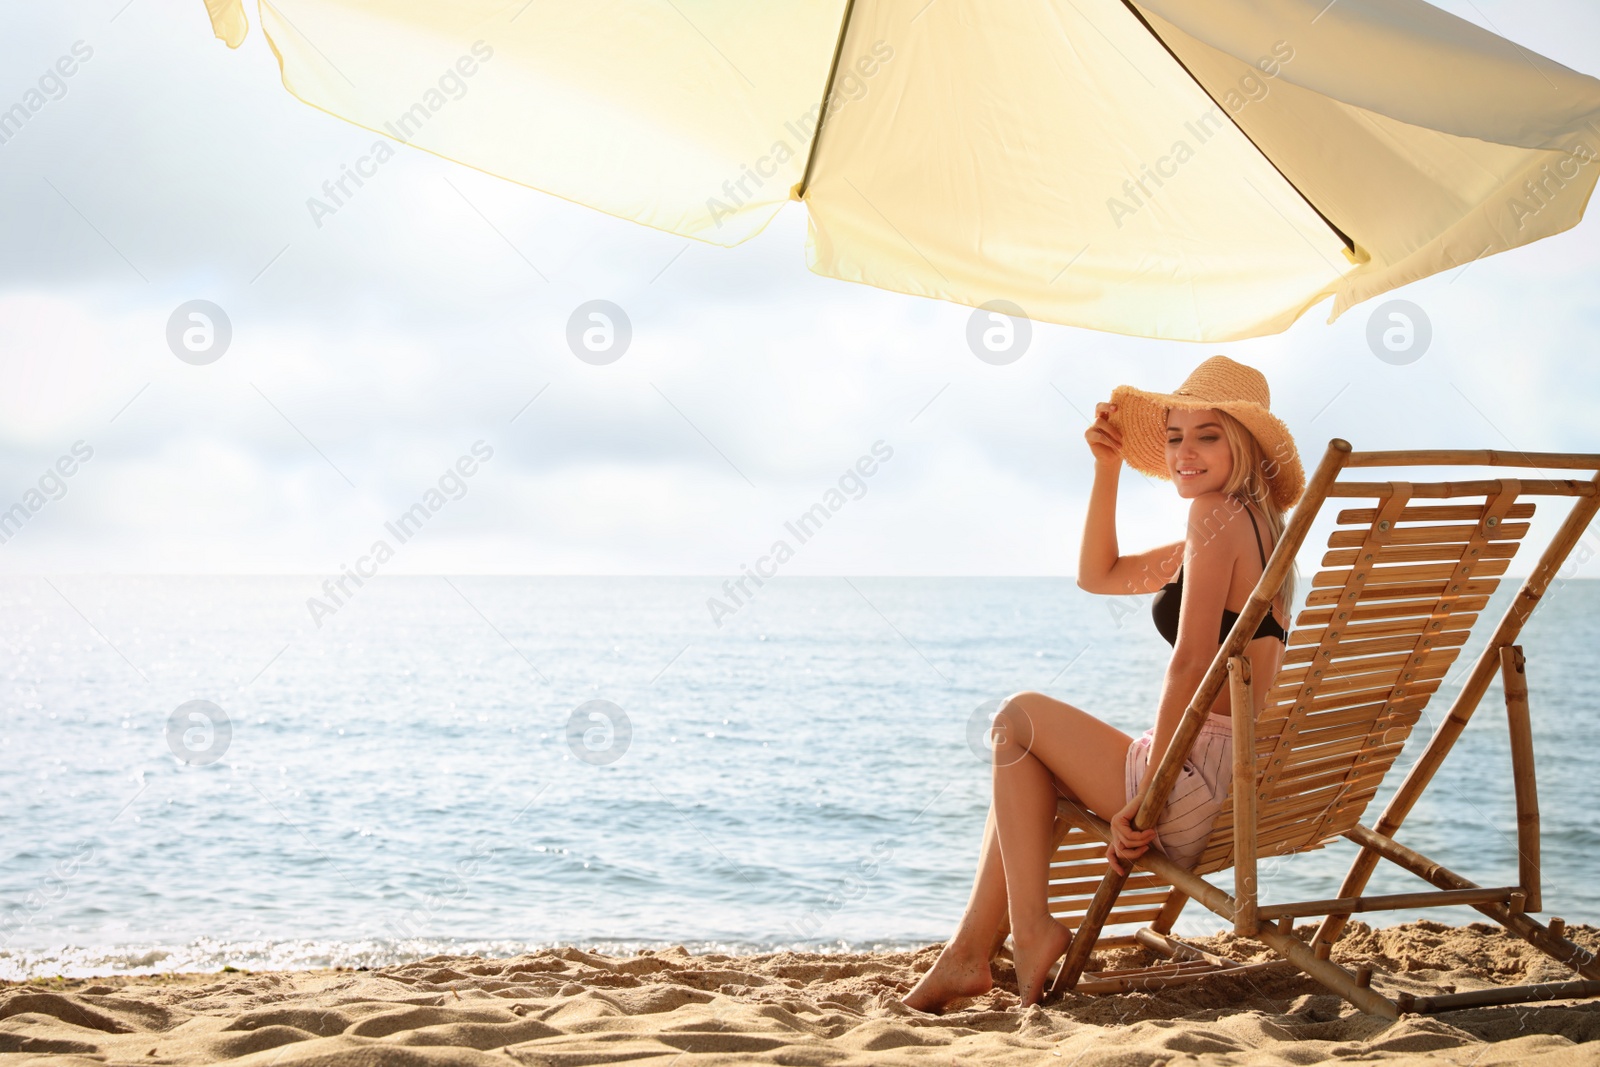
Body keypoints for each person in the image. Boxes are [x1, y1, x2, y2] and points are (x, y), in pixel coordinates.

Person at [902, 355, 1304, 1011]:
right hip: (1231, 779)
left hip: (1191, 780)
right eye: (1175, 436)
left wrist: (1151, 794)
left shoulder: (1212, 517)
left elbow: (1191, 661)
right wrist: (1107, 466)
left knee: (1015, 719)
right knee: (1025, 761)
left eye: (1207, 435)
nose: (1184, 453)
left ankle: (1024, 933)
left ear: (1246, 446)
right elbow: (1102, 572)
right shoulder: (1258, 533)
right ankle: (971, 954)